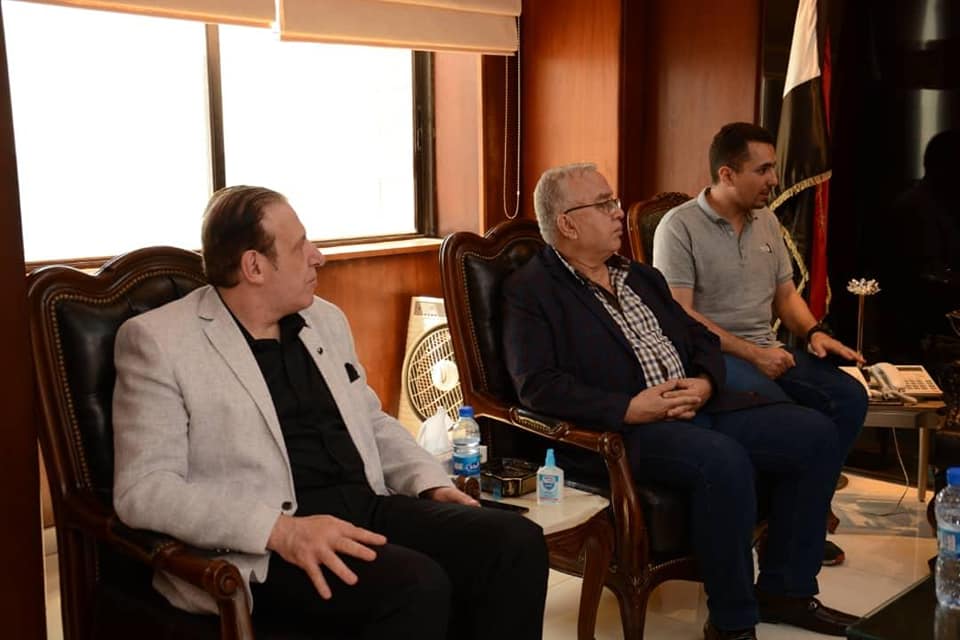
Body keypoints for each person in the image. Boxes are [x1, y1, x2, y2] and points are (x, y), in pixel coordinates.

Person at [112, 186, 549, 639]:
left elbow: (371, 421)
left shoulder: (324, 319)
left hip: (365, 505)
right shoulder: (160, 342)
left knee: (515, 542)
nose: (317, 256)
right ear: (254, 266)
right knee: (417, 586)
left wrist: (430, 483)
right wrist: (281, 531)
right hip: (268, 547)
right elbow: (145, 490)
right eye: (299, 246)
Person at [501, 163, 859, 640]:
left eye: (614, 201)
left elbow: (699, 338)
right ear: (567, 223)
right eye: (604, 204)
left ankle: (786, 591)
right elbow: (537, 386)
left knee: (814, 434)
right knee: (723, 460)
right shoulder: (532, 291)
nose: (618, 212)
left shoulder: (639, 276)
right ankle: (732, 623)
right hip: (627, 430)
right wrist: (629, 408)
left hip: (699, 405)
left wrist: (707, 383)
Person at [652, 122, 868, 565]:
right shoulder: (679, 227)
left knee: (849, 397)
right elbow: (681, 316)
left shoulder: (767, 220)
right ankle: (795, 531)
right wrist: (752, 354)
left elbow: (786, 296)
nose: (774, 179)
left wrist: (815, 333)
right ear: (727, 174)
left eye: (773, 168)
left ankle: (797, 521)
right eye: (763, 170)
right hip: (712, 357)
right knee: (797, 421)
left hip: (767, 349)